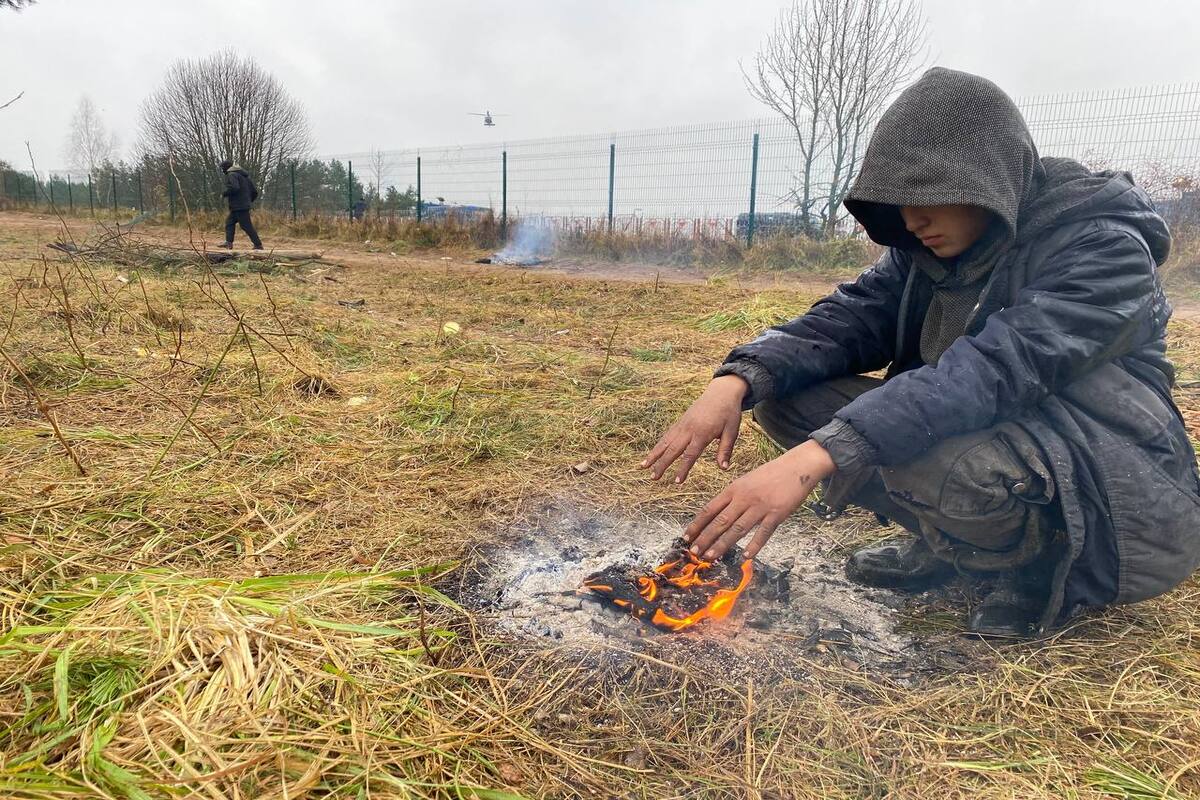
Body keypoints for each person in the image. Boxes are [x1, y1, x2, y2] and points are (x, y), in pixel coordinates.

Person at [643, 68, 1200, 637]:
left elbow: (993, 371)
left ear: (987, 178)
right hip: (992, 431)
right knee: (789, 401)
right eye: (900, 202)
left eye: (929, 196)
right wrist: (738, 378)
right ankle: (948, 543)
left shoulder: (1102, 247)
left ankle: (1040, 564)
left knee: (924, 458)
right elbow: (850, 317)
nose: (912, 219)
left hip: (1093, 460)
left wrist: (815, 457)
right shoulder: (932, 245)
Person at [217, 159, 263, 250]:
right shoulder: (245, 177)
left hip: (239, 206)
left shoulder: (232, 175)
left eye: (222, 168)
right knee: (229, 223)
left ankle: (258, 245)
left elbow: (235, 187)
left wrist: (224, 194)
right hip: (240, 206)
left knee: (246, 226)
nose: (222, 170)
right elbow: (254, 192)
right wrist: (248, 201)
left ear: (226, 168)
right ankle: (229, 243)